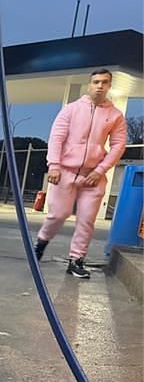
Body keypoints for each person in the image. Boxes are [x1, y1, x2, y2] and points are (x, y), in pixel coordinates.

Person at [33, 69, 127, 278]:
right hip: (65, 170)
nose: (100, 86)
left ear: (109, 86)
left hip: (94, 175)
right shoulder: (72, 109)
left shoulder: (115, 115)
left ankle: (76, 260)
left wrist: (100, 170)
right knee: (58, 214)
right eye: (96, 82)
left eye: (104, 82)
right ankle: (40, 244)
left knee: (86, 219)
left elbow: (119, 145)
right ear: (89, 84)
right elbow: (57, 137)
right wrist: (54, 165)